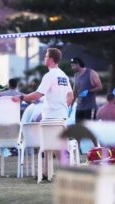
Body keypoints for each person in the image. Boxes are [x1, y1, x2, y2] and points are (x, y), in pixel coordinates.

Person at [12, 48, 74, 178]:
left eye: (46, 56)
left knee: (53, 146)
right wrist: (63, 107)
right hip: (61, 116)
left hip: (51, 116)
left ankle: (66, 173)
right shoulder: (63, 75)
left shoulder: (49, 75)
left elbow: (38, 94)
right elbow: (71, 96)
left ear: (51, 59)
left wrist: (21, 97)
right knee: (51, 145)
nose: (44, 58)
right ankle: (46, 172)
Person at [70, 57, 103, 122]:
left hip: (90, 108)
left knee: (89, 129)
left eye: (73, 66)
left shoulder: (91, 73)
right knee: (78, 128)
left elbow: (100, 87)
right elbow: (74, 91)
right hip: (79, 108)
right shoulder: (76, 75)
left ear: (78, 64)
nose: (72, 68)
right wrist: (71, 106)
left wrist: (88, 91)